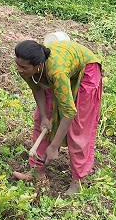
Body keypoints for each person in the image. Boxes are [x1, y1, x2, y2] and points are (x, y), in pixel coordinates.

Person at [13, 36, 103, 195]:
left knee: (78, 127)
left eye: (23, 67)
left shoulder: (56, 71)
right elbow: (38, 89)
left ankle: (78, 180)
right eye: (17, 64)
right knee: (41, 120)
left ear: (38, 66)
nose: (19, 69)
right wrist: (45, 118)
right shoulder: (27, 69)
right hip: (62, 69)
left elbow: (69, 112)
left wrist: (54, 146)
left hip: (86, 70)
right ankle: (36, 172)